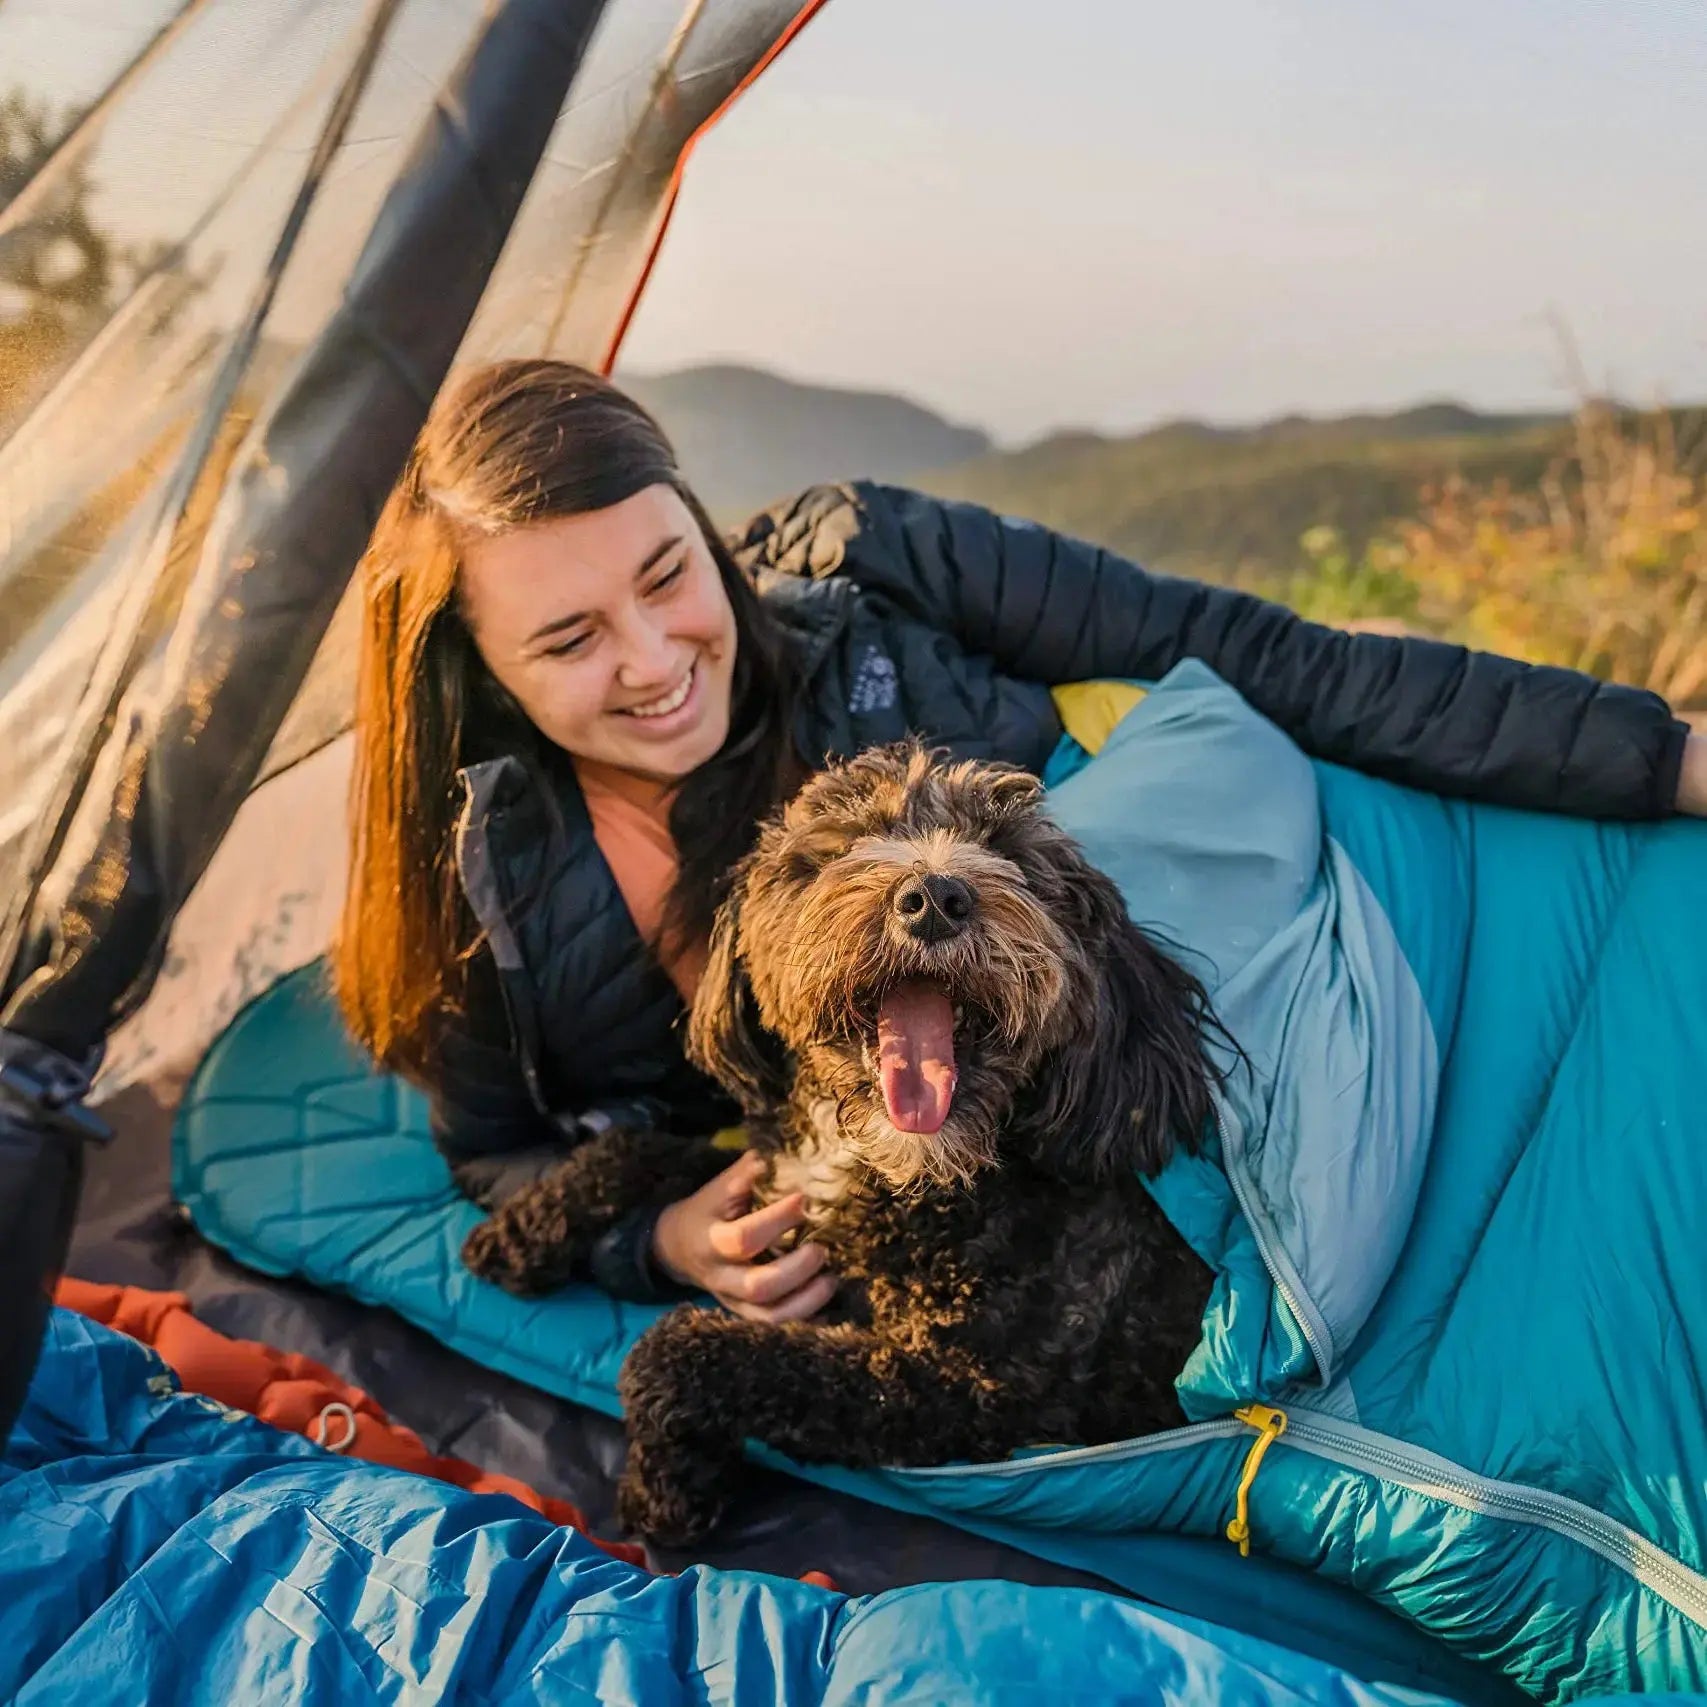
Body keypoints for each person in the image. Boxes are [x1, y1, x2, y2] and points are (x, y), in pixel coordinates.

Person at [333, 359, 1707, 1324]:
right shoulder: (490, 889)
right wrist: (662, 1240)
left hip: (1252, 966)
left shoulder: (881, 567)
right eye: (570, 640)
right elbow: (496, 1153)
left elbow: (1271, 661)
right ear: (481, 674)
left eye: (665, 575)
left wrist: (1669, 758)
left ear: (698, 524)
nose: (655, 662)